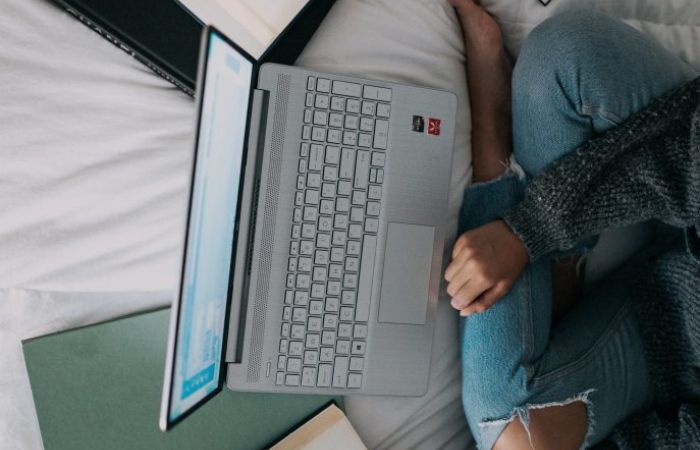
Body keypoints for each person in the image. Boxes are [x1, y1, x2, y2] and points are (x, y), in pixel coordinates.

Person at [447, 1, 700, 448]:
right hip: (686, 171)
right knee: (564, 55)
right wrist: (532, 229)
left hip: (675, 329)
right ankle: (560, 266)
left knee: (513, 435)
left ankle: (494, 153)